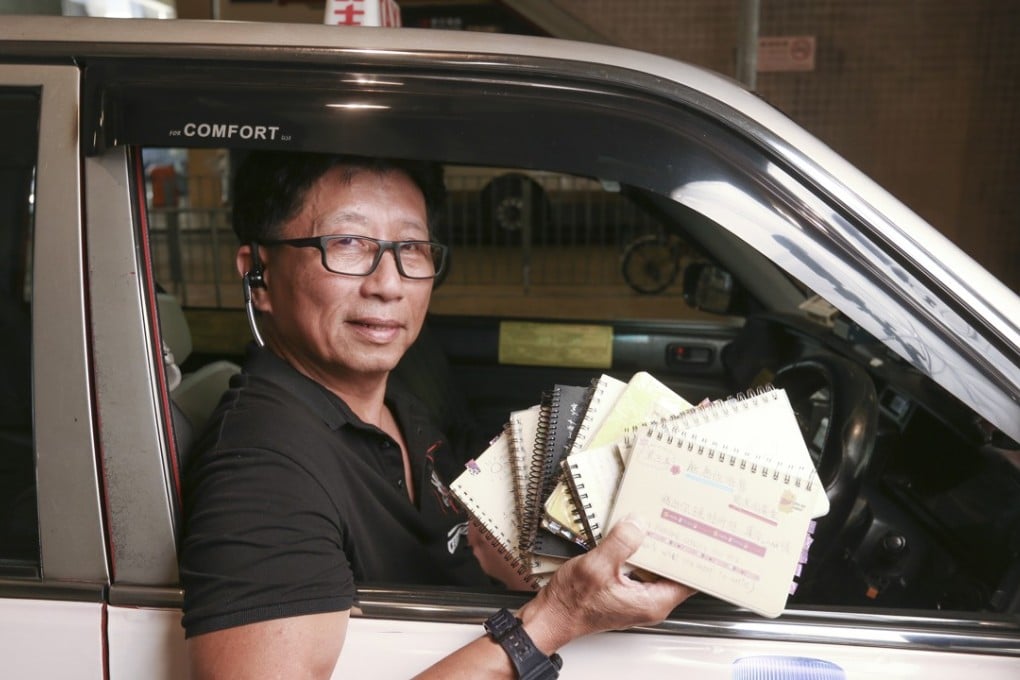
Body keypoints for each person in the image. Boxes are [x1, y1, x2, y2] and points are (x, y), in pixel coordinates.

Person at [179, 151, 695, 679]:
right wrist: (555, 619)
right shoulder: (262, 470)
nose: (388, 283)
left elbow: (472, 548)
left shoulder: (399, 404)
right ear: (258, 276)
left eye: (412, 248)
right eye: (348, 243)